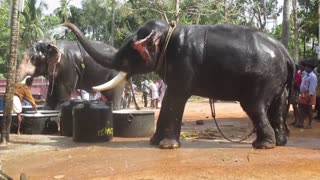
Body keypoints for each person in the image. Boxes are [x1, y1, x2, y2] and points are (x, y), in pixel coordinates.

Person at [295, 63, 317, 129]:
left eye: (307, 67)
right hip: (303, 93)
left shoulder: (312, 76)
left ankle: (309, 124)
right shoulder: (306, 75)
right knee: (301, 107)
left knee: (309, 109)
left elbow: (312, 87)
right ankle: (301, 122)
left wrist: (310, 96)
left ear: (311, 68)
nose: (306, 68)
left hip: (309, 93)